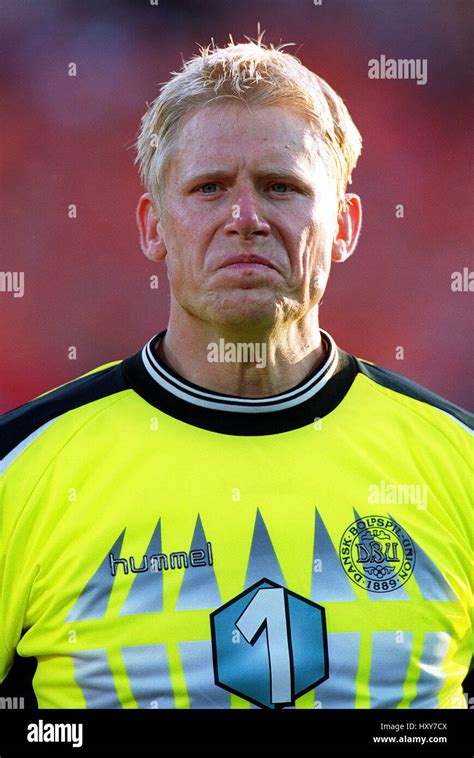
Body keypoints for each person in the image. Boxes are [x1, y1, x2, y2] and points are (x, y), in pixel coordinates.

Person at [0, 39, 471, 711]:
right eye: (208, 188)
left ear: (344, 224)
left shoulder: (461, 468)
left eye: (282, 187)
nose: (244, 219)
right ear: (153, 226)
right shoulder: (21, 469)